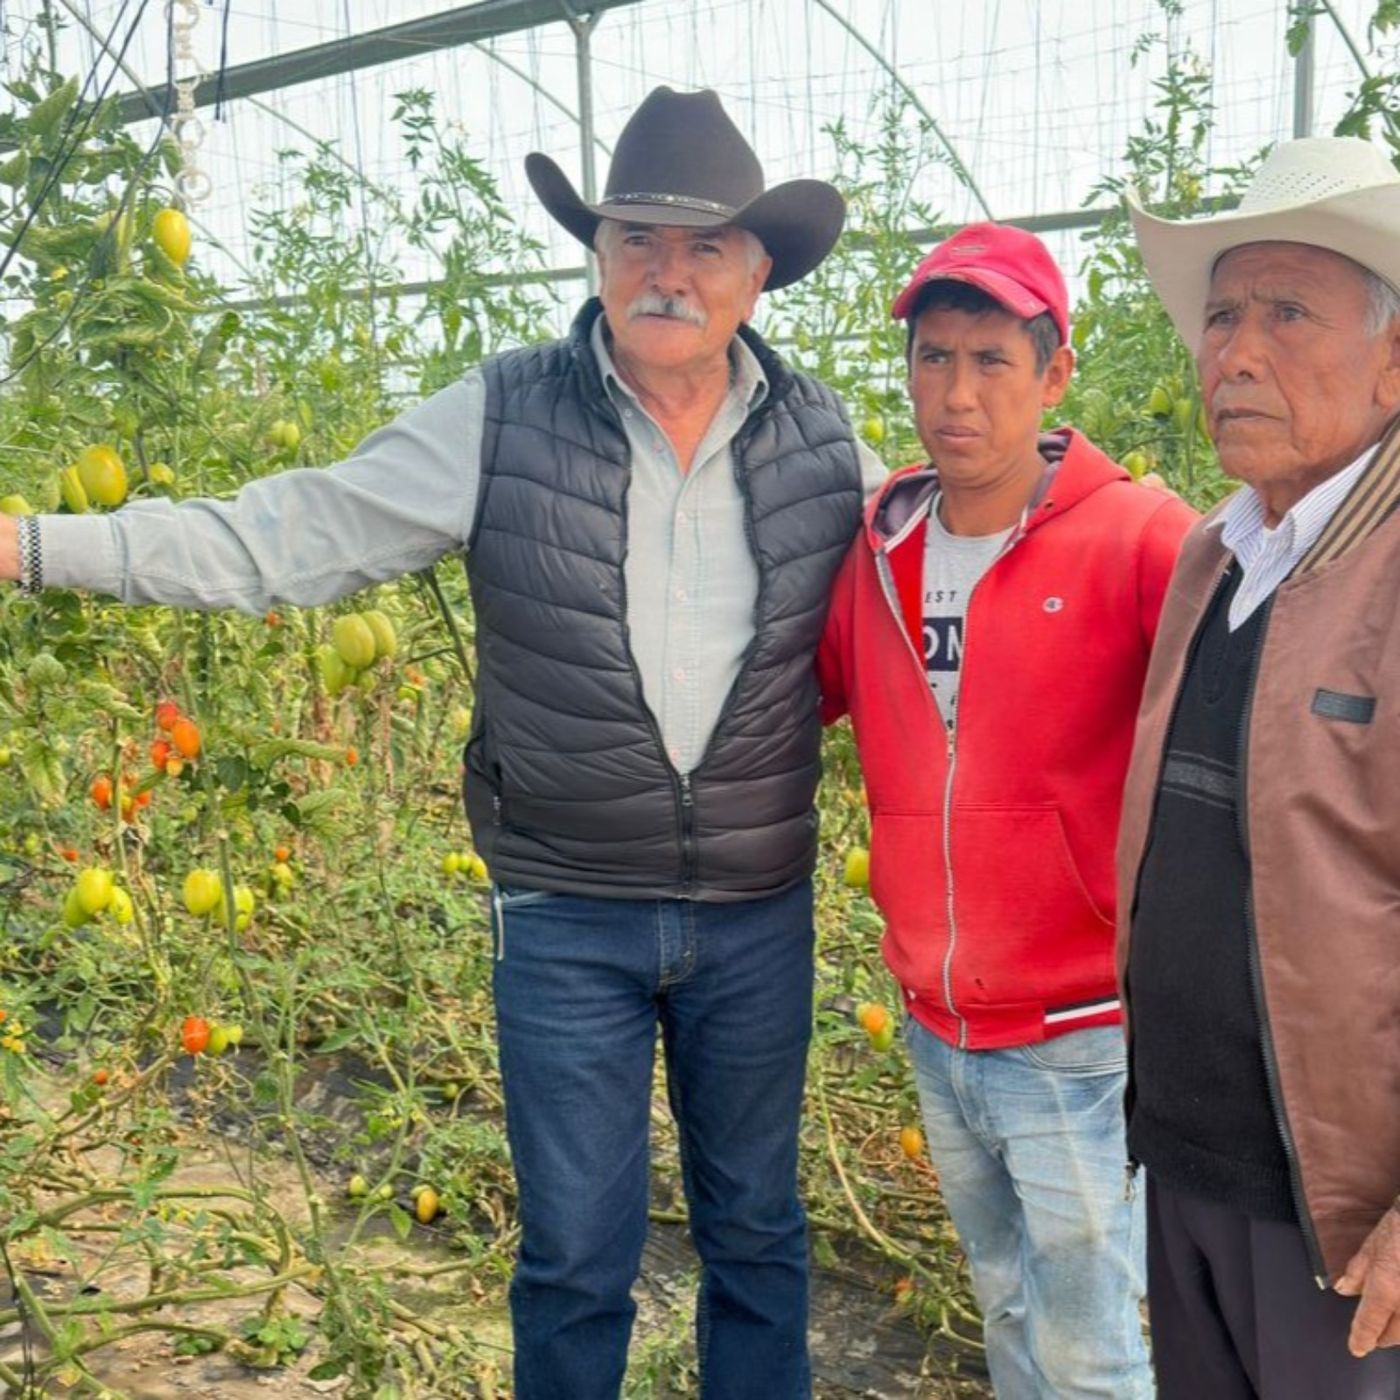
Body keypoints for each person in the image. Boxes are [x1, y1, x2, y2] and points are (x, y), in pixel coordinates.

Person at [0, 87, 887, 1399]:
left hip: (756, 914)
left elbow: (950, 594)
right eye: (638, 236)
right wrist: (31, 545)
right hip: (568, 914)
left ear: (758, 273)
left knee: (759, 1241)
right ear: (596, 252)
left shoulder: (828, 444)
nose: (667, 271)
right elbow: (284, 534)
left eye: (704, 247)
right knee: (578, 1257)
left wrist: (1096, 521)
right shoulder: (503, 416)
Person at [816, 222, 1195, 1397]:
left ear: (1051, 373)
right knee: (1005, 1299)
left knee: (1091, 1345)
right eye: (933, 358)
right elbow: (798, 697)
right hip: (936, 1019)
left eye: (990, 360)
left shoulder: (1140, 538)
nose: (955, 393)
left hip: (1076, 1030)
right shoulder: (880, 547)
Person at [1119, 134, 1400, 1397]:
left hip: (1336, 1222)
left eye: (1286, 311)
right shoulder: (1213, 557)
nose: (1232, 350)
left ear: (1393, 356)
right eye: (1223, 312)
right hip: (1186, 1157)